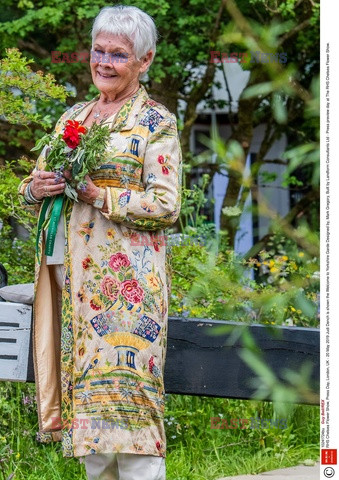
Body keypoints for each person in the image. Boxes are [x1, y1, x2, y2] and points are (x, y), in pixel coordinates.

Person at [18, 5, 182, 479]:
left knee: (131, 412)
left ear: (144, 60)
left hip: (127, 288)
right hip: (73, 285)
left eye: (118, 54)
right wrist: (38, 187)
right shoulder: (75, 116)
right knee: (91, 423)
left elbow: (166, 205)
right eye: (98, 50)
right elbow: (32, 186)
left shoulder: (155, 122)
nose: (103, 62)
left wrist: (98, 193)